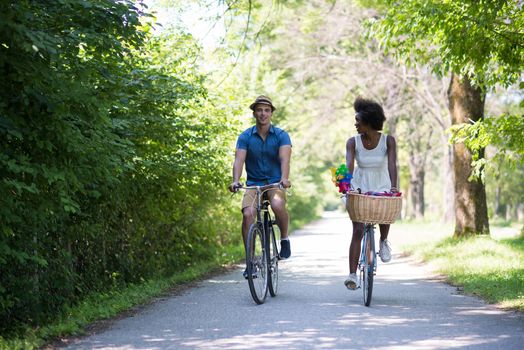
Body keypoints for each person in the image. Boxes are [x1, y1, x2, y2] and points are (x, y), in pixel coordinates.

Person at [228, 95, 292, 279]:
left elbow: (284, 159)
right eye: (259, 110)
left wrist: (284, 178)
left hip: (274, 182)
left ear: (271, 113)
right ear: (254, 113)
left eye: (266, 110)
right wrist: (235, 179)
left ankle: (285, 238)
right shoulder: (246, 136)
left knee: (278, 205)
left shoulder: (281, 135)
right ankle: (250, 261)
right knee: (248, 214)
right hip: (253, 183)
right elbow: (239, 160)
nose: (263, 114)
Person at [344, 96, 398, 290]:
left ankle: (383, 241)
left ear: (368, 121)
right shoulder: (353, 142)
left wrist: (393, 187)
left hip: (381, 182)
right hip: (360, 183)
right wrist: (346, 184)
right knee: (357, 229)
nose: (355, 124)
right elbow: (349, 164)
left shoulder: (388, 141)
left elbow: (392, 165)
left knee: (385, 212)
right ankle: (352, 275)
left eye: (358, 120)